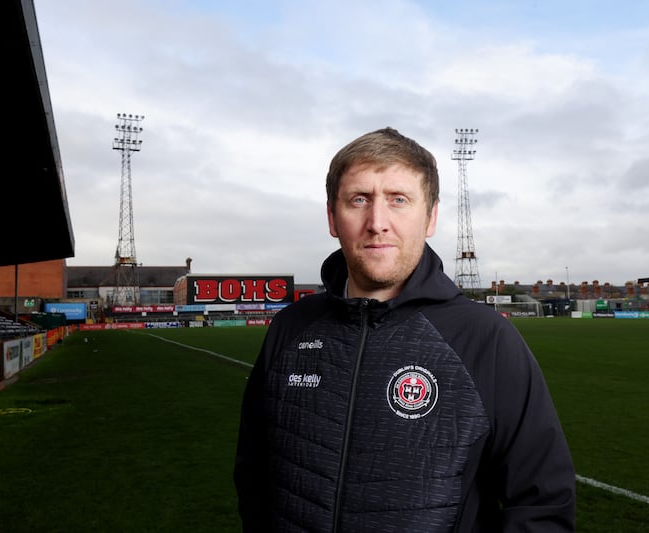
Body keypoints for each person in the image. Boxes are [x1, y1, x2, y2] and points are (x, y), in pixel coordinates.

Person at [233, 127, 575, 532]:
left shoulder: (486, 339)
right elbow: (254, 473)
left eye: (399, 200)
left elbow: (542, 504)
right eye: (359, 199)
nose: (377, 223)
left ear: (430, 217)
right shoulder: (291, 327)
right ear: (332, 217)